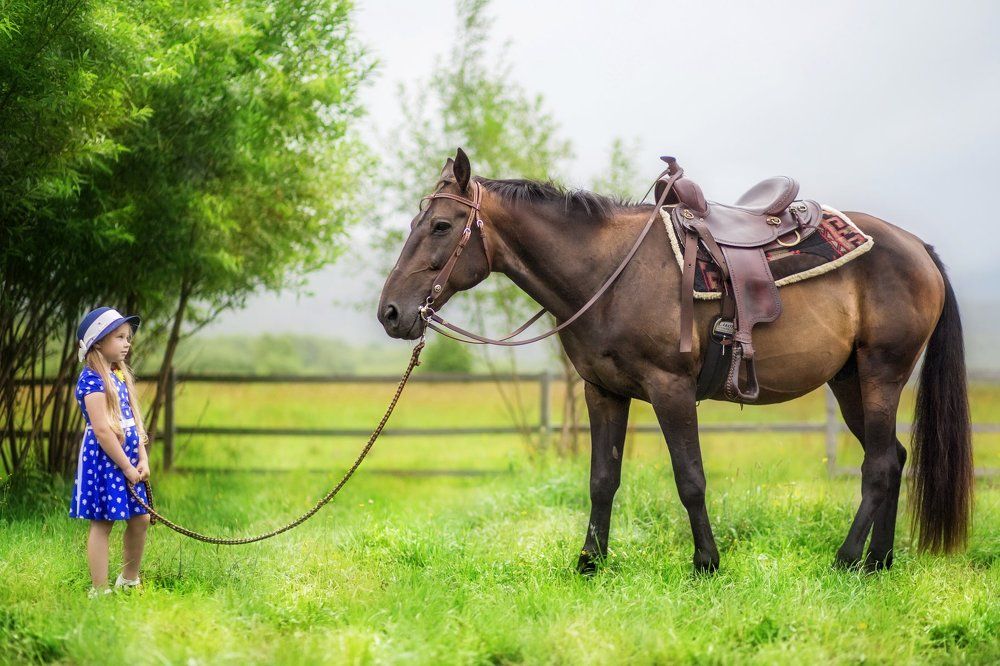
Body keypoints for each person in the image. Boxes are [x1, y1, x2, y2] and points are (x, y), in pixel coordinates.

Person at [69, 306, 152, 598]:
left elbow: (132, 421)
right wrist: (126, 467)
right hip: (106, 461)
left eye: (127, 337)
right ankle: (99, 589)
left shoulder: (119, 374)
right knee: (103, 522)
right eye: (120, 337)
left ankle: (129, 579)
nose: (127, 343)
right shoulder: (92, 379)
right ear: (99, 342)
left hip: (129, 459)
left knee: (140, 518)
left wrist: (142, 458)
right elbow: (103, 430)